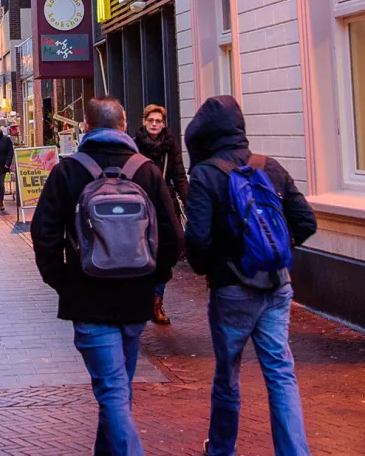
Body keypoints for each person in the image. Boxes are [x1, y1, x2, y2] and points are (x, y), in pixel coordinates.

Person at [31, 96, 181, 456]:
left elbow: (44, 233)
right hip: (134, 302)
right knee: (118, 390)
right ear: (124, 125)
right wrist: (152, 278)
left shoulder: (68, 171)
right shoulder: (146, 170)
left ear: (86, 127)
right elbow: (174, 237)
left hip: (88, 300)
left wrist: (64, 283)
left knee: (113, 391)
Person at [184, 96, 316, 456]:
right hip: (277, 285)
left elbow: (197, 238)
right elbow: (306, 221)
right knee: (280, 372)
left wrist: (213, 267)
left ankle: (222, 449)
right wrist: (275, 249)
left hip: (231, 290)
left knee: (228, 375)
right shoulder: (268, 166)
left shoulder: (206, 174)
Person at [133, 103, 189, 326]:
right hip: (141, 203)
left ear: (163, 124)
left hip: (165, 203)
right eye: (151, 121)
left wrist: (188, 202)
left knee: (165, 254)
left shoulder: (170, 145)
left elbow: (180, 174)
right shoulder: (135, 144)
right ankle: (142, 300)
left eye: (158, 121)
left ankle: (157, 303)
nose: (155, 124)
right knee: (141, 252)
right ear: (144, 122)